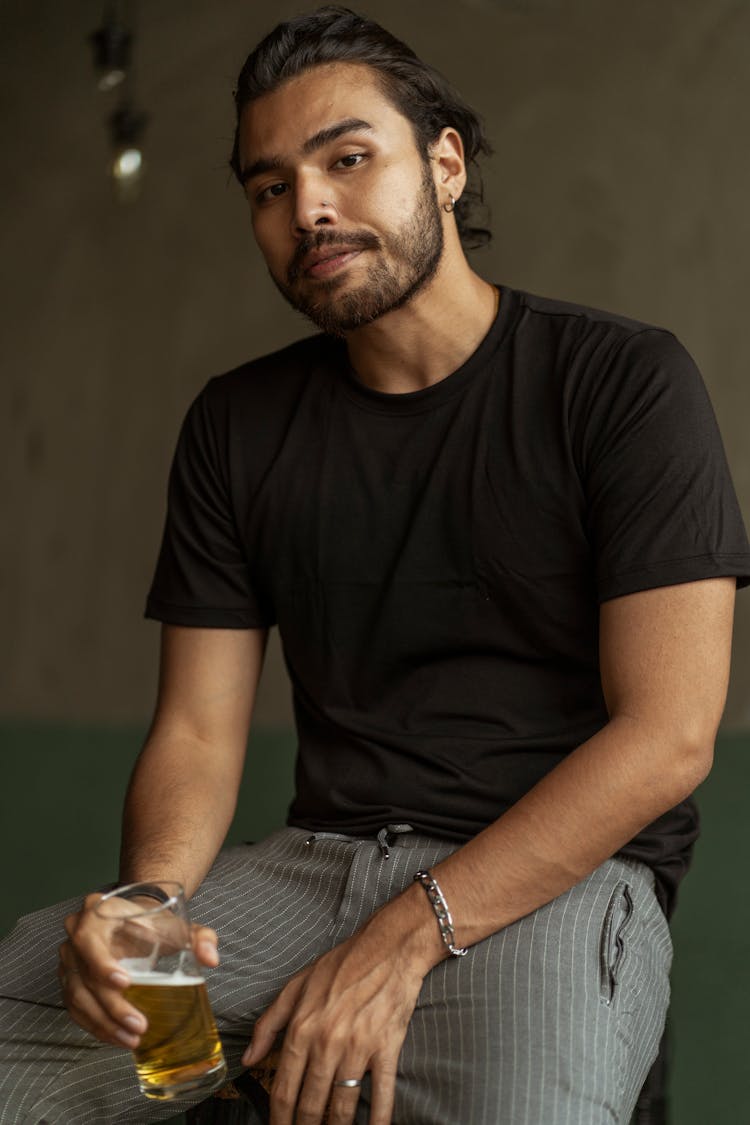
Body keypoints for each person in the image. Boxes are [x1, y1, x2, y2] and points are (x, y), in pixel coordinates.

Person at [2, 6, 749, 1124]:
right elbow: (198, 731)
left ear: (444, 164)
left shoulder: (621, 383)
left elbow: (668, 738)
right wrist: (148, 903)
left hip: (558, 878)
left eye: (348, 160)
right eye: (268, 187)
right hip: (311, 869)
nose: (308, 207)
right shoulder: (236, 425)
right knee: (33, 1012)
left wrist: (400, 940)